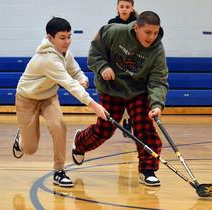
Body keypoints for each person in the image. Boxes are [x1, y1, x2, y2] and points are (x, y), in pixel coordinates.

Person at [72, 11, 169, 186]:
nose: (151, 37)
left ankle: (148, 170)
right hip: (111, 87)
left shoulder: (157, 50)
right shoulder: (114, 31)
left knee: (145, 128)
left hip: (138, 91)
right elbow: (95, 52)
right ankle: (80, 143)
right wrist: (102, 67)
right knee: (105, 129)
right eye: (147, 32)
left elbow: (158, 80)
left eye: (155, 33)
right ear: (136, 27)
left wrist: (157, 105)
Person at [12, 17, 107, 187]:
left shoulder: (65, 53)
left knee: (59, 126)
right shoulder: (47, 59)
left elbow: (74, 71)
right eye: (62, 38)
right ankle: (21, 139)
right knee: (30, 149)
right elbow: (69, 84)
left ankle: (59, 171)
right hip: (26, 99)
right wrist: (94, 105)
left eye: (69, 36)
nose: (67, 41)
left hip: (48, 97)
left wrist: (82, 78)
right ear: (50, 38)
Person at [108, 0, 138, 137]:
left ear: (132, 8)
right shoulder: (112, 22)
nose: (124, 9)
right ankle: (126, 120)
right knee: (120, 94)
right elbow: (108, 43)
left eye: (127, 7)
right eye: (122, 6)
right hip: (117, 63)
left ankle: (132, 121)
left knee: (134, 94)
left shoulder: (138, 22)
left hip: (135, 63)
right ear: (117, 8)